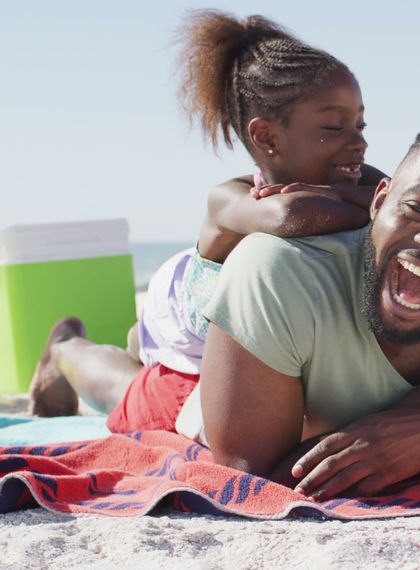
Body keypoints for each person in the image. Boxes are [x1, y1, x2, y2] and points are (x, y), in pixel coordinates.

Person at [29, 10, 384, 419]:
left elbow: (404, 202)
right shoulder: (229, 199)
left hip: (261, 345)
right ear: (266, 136)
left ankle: (134, 343)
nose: (359, 142)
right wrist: (364, 200)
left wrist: (365, 197)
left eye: (360, 124)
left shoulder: (356, 179)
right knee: (133, 401)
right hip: (188, 325)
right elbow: (290, 216)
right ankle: (65, 348)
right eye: (334, 128)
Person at [195, 116, 420, 499]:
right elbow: (255, 483)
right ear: (380, 202)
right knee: (147, 385)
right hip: (200, 382)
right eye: (417, 209)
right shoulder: (277, 271)